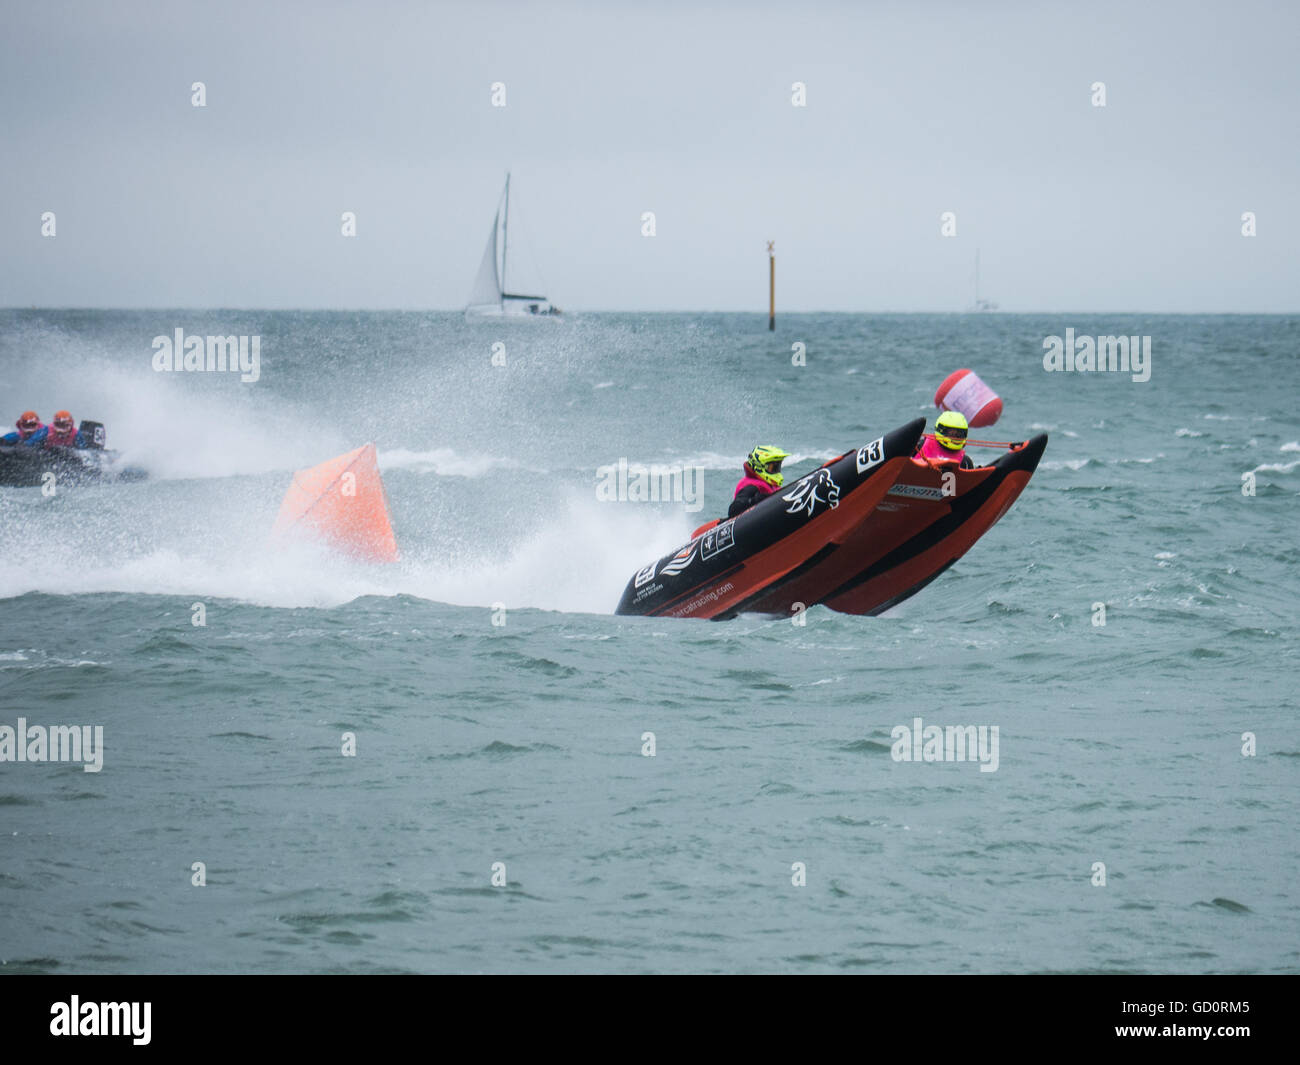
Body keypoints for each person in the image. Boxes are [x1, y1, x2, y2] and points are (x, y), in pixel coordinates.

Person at [728, 445, 789, 518]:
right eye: (773, 467)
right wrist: (755, 500)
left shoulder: (771, 484)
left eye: (778, 467)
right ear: (760, 466)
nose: (777, 471)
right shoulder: (751, 486)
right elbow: (733, 510)